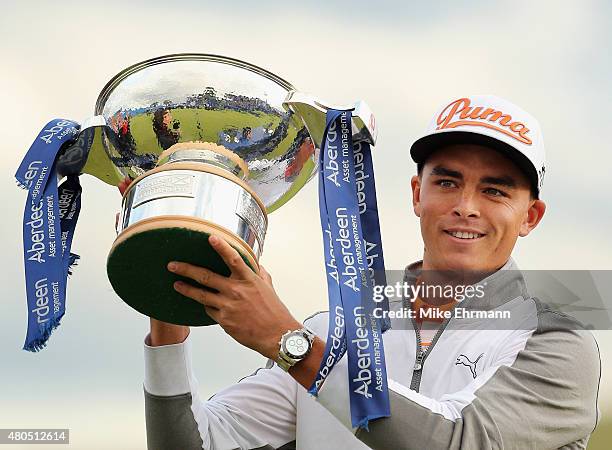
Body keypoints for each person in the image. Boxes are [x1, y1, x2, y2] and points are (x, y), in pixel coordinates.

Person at [139, 95, 601, 449]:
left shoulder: (556, 341)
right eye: (447, 182)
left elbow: (456, 440)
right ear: (417, 193)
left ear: (530, 217)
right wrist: (168, 313)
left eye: (495, 191)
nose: (465, 207)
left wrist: (289, 344)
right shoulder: (329, 333)